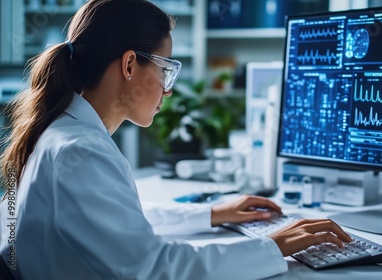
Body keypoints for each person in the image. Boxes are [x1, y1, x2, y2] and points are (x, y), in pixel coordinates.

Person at [0, 0, 351, 279]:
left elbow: (118, 222)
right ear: (129, 66)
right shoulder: (80, 152)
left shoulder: (64, 133)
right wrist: (274, 246)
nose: (168, 91)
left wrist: (212, 214)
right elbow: (154, 269)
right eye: (166, 70)